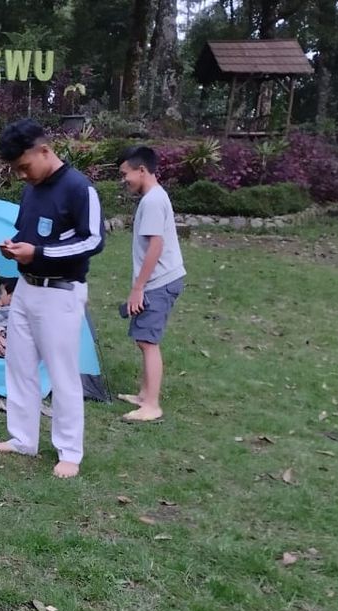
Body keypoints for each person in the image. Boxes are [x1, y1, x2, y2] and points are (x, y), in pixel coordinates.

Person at [0, 119, 105, 479]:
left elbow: (93, 240)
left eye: (24, 167)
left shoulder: (78, 188)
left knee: (62, 374)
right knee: (19, 365)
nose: (22, 175)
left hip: (61, 293)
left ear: (44, 150)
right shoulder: (31, 189)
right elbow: (28, 236)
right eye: (15, 170)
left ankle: (69, 452)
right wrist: (14, 250)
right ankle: (22, 438)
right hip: (26, 289)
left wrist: (37, 253)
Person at [117, 145, 186, 422]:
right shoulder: (153, 198)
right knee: (144, 339)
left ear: (142, 170)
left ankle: (152, 405)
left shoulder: (153, 201)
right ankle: (144, 395)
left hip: (159, 281)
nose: (124, 180)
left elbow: (156, 246)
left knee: (148, 341)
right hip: (158, 280)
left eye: (126, 174)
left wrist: (138, 288)